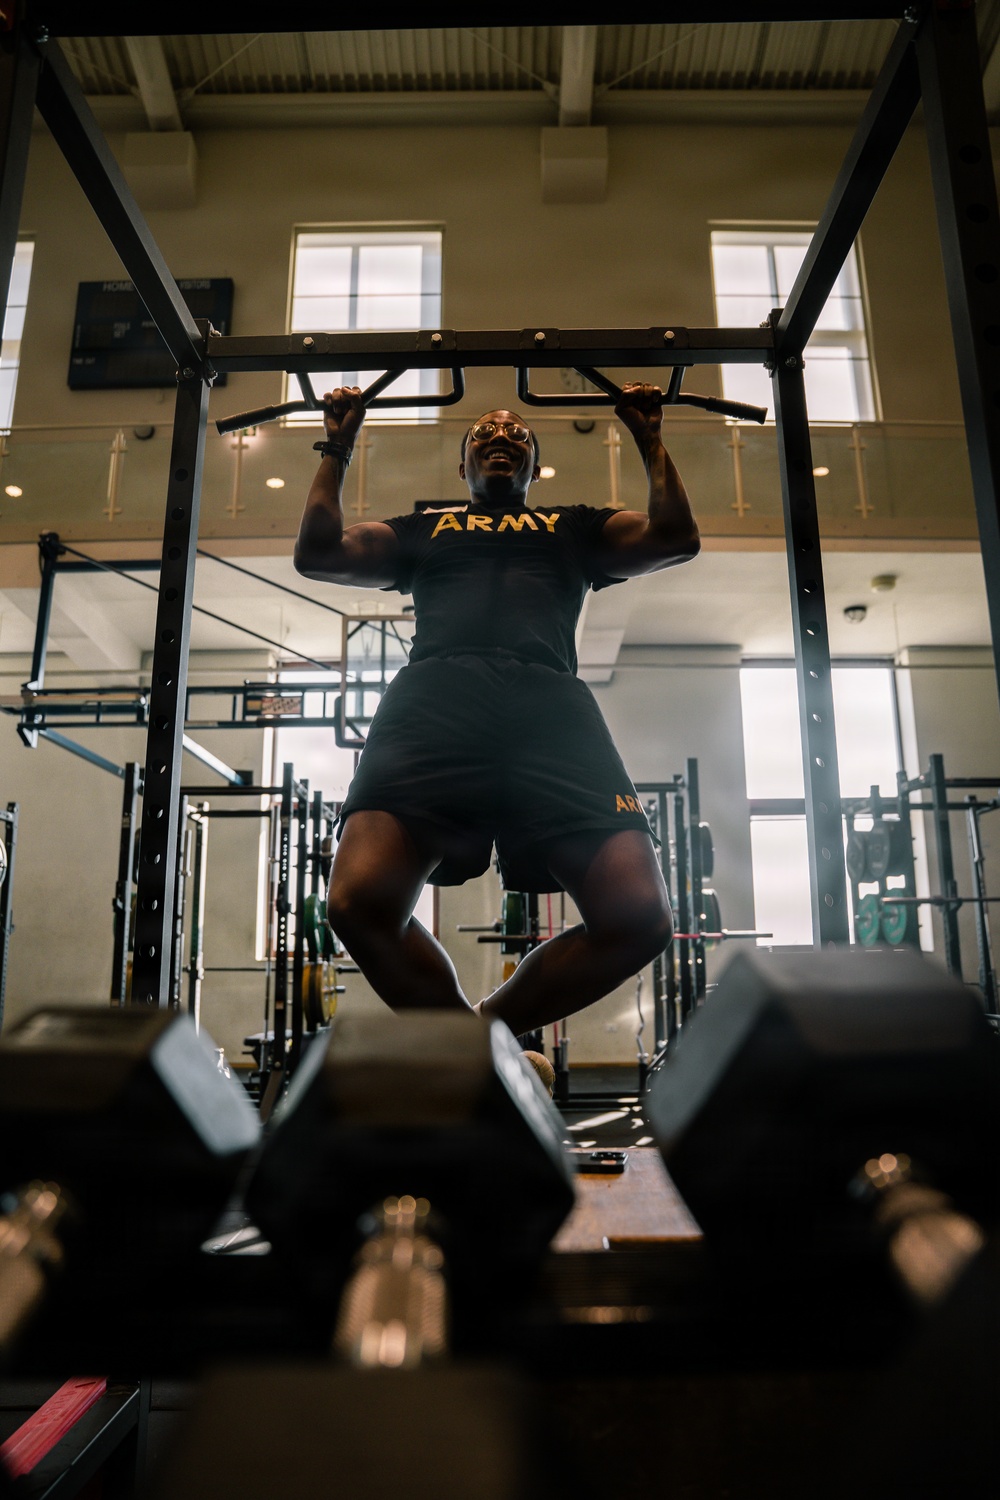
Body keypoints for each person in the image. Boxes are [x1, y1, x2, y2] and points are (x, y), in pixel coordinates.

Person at [294, 381, 700, 1040]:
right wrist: (337, 445)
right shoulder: (425, 528)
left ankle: (486, 1032)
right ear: (464, 466)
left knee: (640, 919)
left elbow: (675, 536)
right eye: (484, 434)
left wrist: (648, 434)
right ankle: (461, 1048)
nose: (502, 436)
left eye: (517, 434)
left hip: (550, 708)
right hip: (434, 701)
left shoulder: (574, 525)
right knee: (356, 902)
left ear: (537, 466)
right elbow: (319, 553)